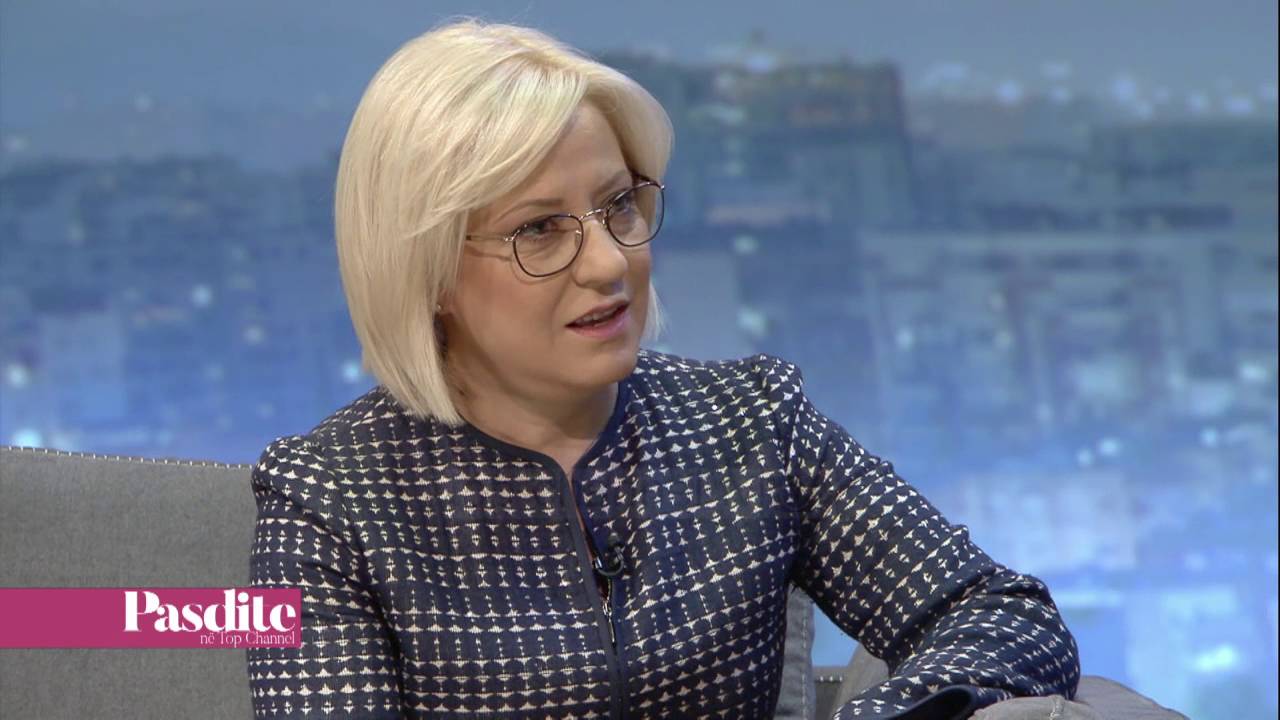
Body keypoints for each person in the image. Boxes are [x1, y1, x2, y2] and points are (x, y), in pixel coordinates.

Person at [246, 18, 1081, 719]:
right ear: (427, 271)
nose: (610, 262)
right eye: (539, 229)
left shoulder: (753, 422)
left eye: (618, 206)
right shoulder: (324, 501)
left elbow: (1000, 615)